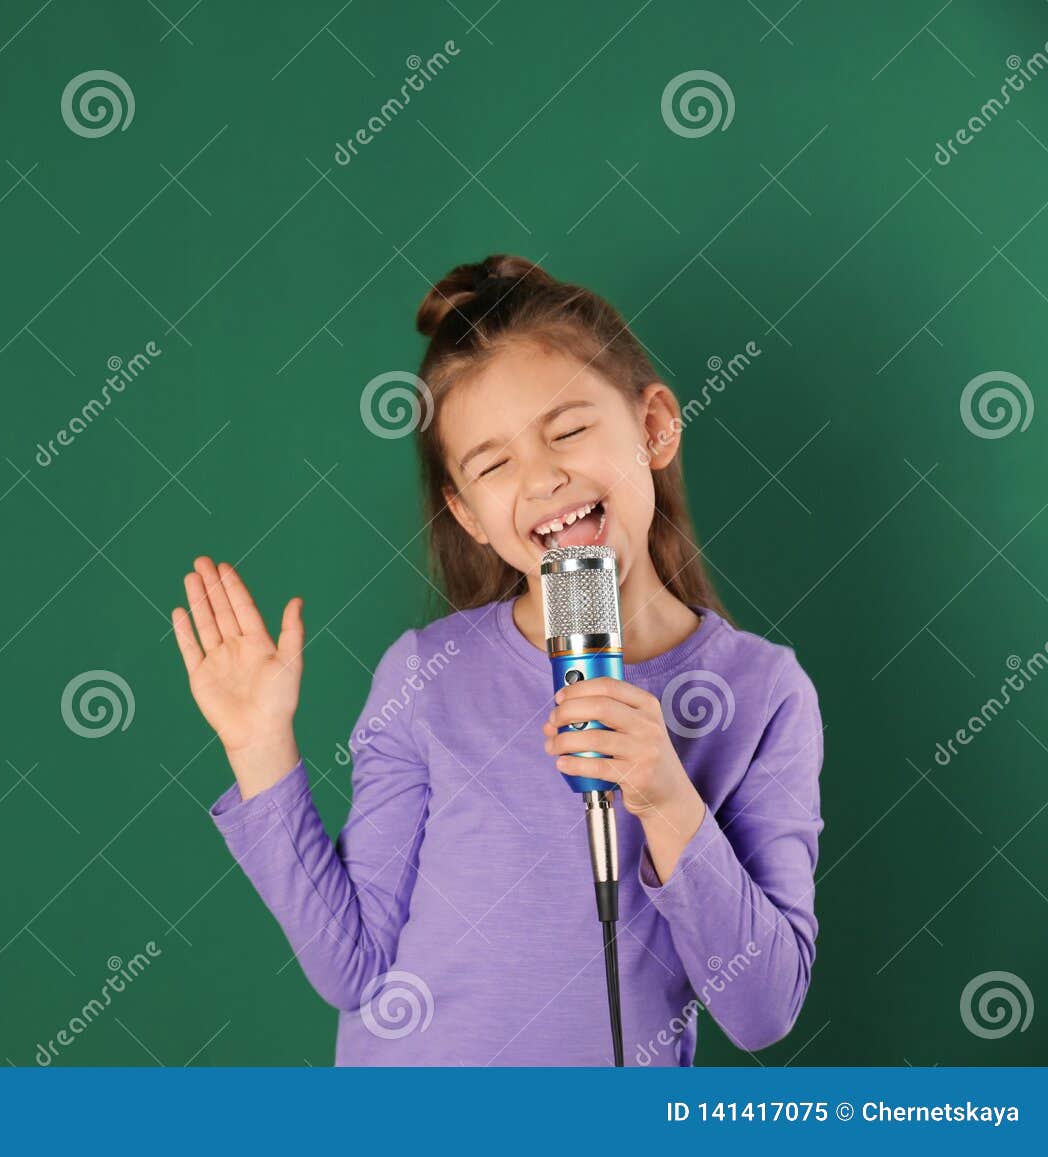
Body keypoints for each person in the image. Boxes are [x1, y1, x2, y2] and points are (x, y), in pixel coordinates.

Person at [169, 255, 824, 1066]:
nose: (543, 478)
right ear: (469, 514)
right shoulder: (425, 677)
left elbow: (763, 1008)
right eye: (492, 464)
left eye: (569, 430)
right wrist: (259, 746)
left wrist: (665, 796)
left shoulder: (761, 692)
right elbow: (353, 966)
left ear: (653, 426)